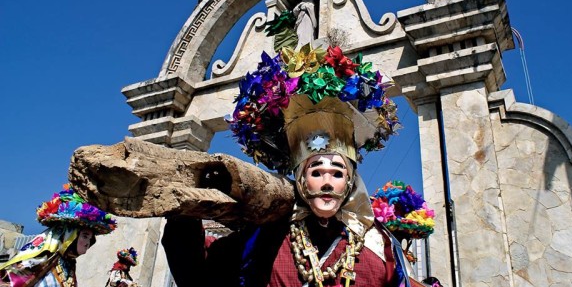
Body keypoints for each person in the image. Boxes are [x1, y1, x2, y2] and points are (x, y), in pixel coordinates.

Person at [162, 44, 420, 287]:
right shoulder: (263, 237)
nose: (327, 182)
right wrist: (186, 208)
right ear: (300, 178)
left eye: (337, 173)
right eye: (316, 172)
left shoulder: (379, 245)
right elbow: (198, 273)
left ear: (351, 180)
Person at [0, 184, 117, 287]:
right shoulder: (36, 263)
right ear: (69, 235)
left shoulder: (68, 267)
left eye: (90, 239)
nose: (88, 242)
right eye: (85, 236)